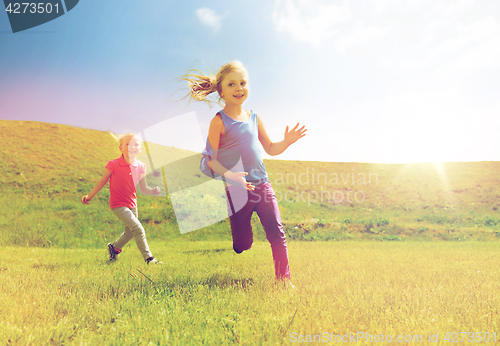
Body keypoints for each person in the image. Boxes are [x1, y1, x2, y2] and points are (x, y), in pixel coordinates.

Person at [181, 61, 306, 280]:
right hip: (237, 190)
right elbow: (211, 160)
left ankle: (284, 281)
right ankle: (240, 244)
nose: (239, 88)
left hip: (263, 185)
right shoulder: (219, 122)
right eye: (232, 84)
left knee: (277, 234)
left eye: (243, 83)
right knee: (243, 243)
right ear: (221, 91)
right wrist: (231, 176)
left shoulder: (254, 117)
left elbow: (270, 148)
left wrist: (286, 142)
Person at [81, 133, 162, 264]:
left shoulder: (141, 166)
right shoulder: (114, 164)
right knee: (138, 229)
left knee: (130, 232)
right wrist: (89, 196)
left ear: (140, 149)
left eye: (136, 144)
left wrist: (152, 191)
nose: (132, 146)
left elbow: (144, 187)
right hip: (118, 204)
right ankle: (149, 259)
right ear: (121, 148)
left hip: (132, 203)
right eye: (128, 144)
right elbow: (102, 181)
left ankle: (114, 248)